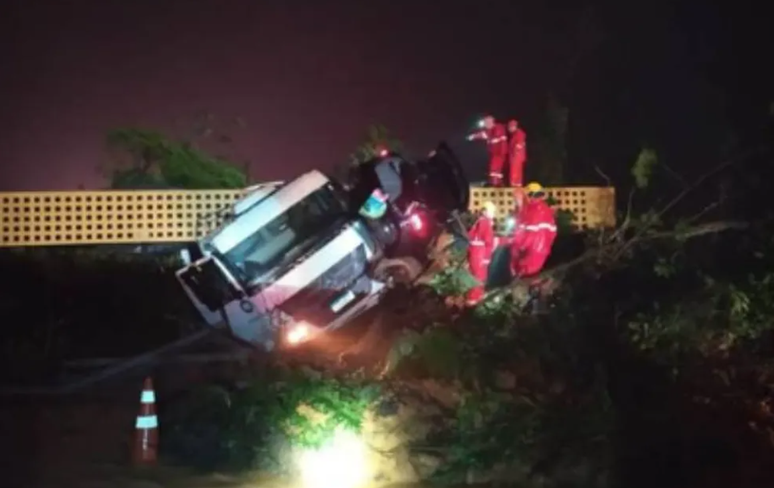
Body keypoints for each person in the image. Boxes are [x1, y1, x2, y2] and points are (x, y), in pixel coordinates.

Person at [510, 182, 557, 279]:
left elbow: (528, 235)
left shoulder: (532, 211)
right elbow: (552, 234)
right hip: (540, 251)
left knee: (524, 279)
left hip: (530, 253)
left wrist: (519, 246)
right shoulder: (545, 209)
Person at [466, 201, 497, 306]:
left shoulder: (478, 222)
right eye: (492, 211)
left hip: (474, 253)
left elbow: (470, 237)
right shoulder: (485, 223)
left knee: (474, 276)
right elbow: (489, 242)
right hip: (481, 253)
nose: (493, 213)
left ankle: (473, 296)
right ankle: (475, 298)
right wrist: (486, 258)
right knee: (480, 277)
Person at [467, 115, 508, 186]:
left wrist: (491, 140)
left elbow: (496, 138)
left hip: (499, 151)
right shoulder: (489, 130)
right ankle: (495, 183)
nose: (486, 125)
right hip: (494, 152)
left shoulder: (498, 127)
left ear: (491, 122)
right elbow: (482, 135)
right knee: (494, 169)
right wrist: (473, 136)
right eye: (485, 123)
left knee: (494, 168)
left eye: (487, 123)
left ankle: (495, 184)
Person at [506, 119, 527, 187]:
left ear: (513, 127)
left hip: (516, 156)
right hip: (516, 156)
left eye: (510, 127)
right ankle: (517, 185)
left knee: (514, 172)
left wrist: (516, 150)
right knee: (517, 173)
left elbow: (519, 144)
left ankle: (514, 185)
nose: (509, 129)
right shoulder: (515, 134)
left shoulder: (519, 133)